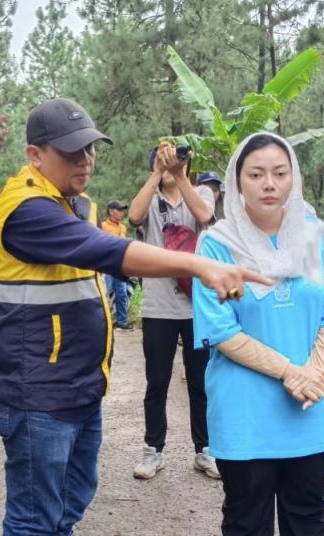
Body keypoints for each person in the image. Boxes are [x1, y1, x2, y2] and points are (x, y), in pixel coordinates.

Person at [0, 97, 269, 535]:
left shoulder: (75, 204)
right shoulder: (26, 209)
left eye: (90, 149)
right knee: (34, 520)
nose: (85, 161)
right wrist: (197, 264)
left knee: (69, 503)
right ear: (35, 155)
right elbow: (111, 251)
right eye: (70, 152)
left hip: (78, 388)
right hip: (36, 396)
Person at [192, 132, 324, 536]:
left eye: (279, 173)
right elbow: (223, 330)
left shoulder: (317, 238)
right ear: (238, 181)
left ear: (293, 178)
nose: (269, 183)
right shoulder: (219, 246)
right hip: (246, 413)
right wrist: (291, 372)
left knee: (307, 520)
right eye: (256, 174)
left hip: (311, 409)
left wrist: (311, 372)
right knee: (246, 522)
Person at [127, 142, 220, 480]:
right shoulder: (150, 200)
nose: (168, 164)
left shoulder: (202, 193)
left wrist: (181, 175)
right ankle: (153, 450)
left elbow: (204, 217)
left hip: (197, 308)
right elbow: (134, 216)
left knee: (201, 382)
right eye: (160, 160)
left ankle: (205, 449)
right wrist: (157, 173)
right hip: (157, 307)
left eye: (174, 159)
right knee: (157, 382)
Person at [101, 199, 132, 330]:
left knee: (122, 293)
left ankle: (122, 321)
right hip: (107, 266)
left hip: (119, 266)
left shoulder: (123, 227)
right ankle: (104, 321)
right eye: (119, 210)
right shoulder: (103, 226)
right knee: (105, 293)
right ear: (111, 211)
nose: (122, 213)